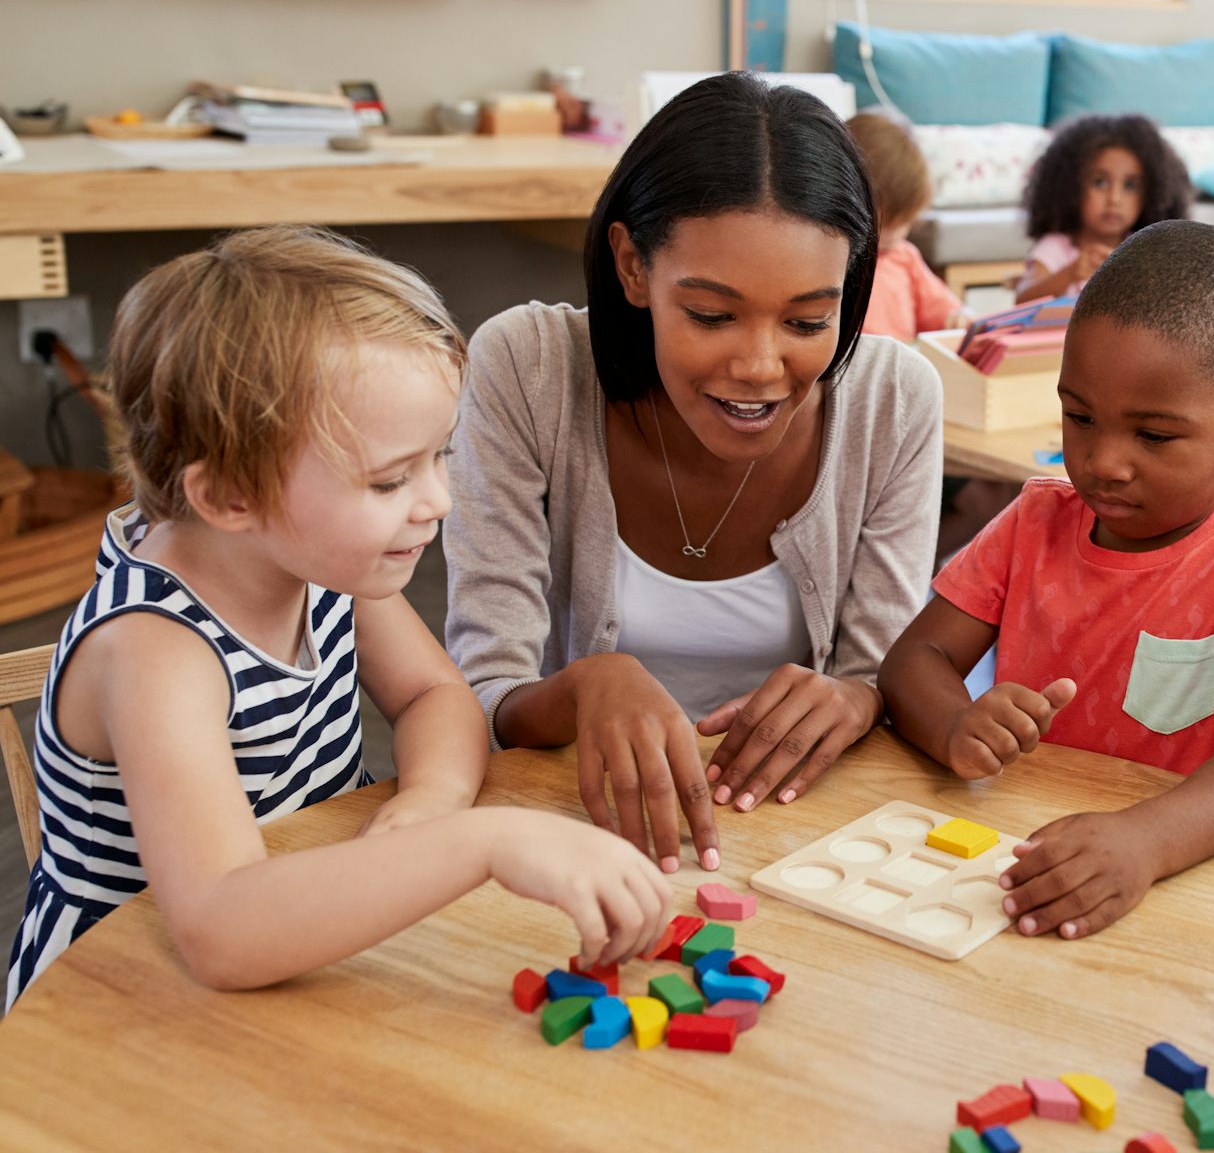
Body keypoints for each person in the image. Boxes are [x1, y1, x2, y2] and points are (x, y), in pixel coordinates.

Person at [6, 227, 670, 1009]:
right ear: (227, 497)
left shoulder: (316, 560)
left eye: (440, 456)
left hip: (304, 937)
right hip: (126, 1004)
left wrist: (430, 799)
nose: (439, 503)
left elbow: (435, 697)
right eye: (390, 481)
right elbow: (221, 927)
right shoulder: (156, 653)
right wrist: (482, 841)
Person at [445, 73, 943, 872]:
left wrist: (859, 696)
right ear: (632, 267)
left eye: (810, 320)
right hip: (569, 832)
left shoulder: (893, 398)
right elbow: (479, 694)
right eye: (711, 315)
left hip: (802, 839)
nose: (759, 365)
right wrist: (583, 686)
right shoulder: (526, 368)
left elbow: (877, 673)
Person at [880, 221, 1214, 941]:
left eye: (1154, 436)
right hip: (1018, 859)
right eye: (1079, 417)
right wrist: (954, 723)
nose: (1104, 461)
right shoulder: (1034, 520)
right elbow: (917, 659)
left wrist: (1146, 841)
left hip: (1181, 879)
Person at [1013, 113, 1190, 305]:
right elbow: (1022, 299)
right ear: (1069, 186)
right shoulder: (1056, 247)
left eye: (1130, 186)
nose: (1114, 199)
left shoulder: (1144, 247)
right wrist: (1070, 274)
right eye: (1100, 182)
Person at [845, 110, 969, 342]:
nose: (897, 233)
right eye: (888, 220)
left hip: (899, 371)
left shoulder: (903, 256)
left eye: (904, 222)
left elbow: (944, 310)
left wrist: (960, 318)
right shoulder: (831, 261)